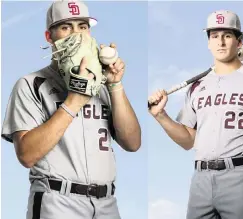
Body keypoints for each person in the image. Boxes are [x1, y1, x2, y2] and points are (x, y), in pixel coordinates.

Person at [149, 9, 243, 219]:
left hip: (239, 176)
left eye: (227, 35)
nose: (220, 42)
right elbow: (187, 141)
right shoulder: (196, 87)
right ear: (208, 42)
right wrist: (160, 115)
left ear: (239, 42)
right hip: (200, 179)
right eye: (214, 36)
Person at [1, 1, 141, 218]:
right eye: (66, 27)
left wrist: (114, 84)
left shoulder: (101, 83)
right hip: (57, 200)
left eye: (82, 27)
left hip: (107, 203)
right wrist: (75, 99)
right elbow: (27, 155)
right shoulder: (31, 84)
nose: (77, 35)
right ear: (50, 37)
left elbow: (133, 143)